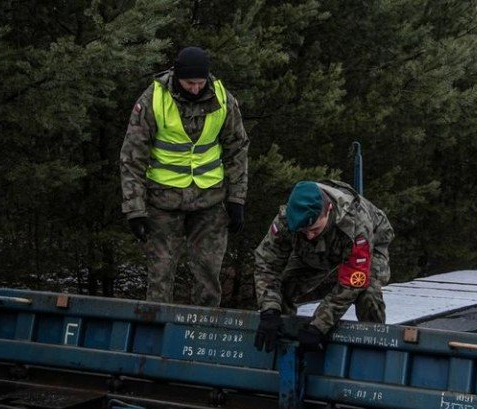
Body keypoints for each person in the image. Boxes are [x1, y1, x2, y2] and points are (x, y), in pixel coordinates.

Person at [120, 46, 249, 305]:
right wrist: (134, 209)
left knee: (209, 273)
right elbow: (132, 157)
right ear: (177, 76)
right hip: (163, 201)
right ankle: (156, 335)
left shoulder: (223, 99)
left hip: (209, 201)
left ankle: (201, 333)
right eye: (189, 83)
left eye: (200, 82)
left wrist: (237, 199)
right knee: (160, 274)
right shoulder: (152, 99)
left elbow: (237, 149)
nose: (195, 88)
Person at [253, 180, 394, 352]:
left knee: (368, 294)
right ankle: (282, 345)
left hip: (370, 243)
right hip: (317, 252)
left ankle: (375, 347)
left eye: (314, 229)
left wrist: (318, 326)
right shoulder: (287, 220)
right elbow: (267, 263)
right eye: (304, 232)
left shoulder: (357, 224)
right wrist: (269, 311)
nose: (310, 236)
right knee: (282, 289)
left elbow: (352, 282)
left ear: (328, 210)